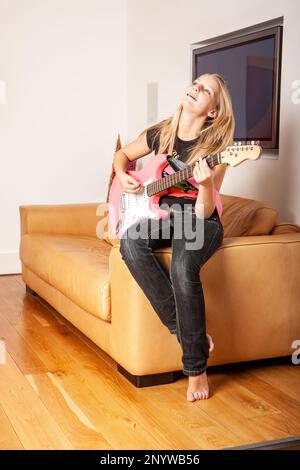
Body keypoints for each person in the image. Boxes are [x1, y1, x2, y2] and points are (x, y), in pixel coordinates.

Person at [113, 73, 235, 402]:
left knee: (183, 267)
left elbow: (202, 211)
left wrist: (206, 185)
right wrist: (124, 175)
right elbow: (122, 155)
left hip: (201, 218)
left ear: (212, 110)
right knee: (131, 243)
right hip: (163, 215)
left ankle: (196, 371)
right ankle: (184, 333)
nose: (196, 89)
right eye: (195, 83)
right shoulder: (161, 133)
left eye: (205, 90)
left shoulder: (217, 150)